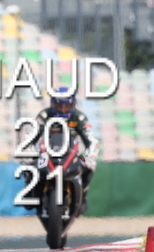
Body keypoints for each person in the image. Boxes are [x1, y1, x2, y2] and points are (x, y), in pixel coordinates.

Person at [23, 87, 99, 217]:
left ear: (73, 104)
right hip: (48, 152)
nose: (63, 109)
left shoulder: (79, 117)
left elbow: (91, 140)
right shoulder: (44, 115)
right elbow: (30, 136)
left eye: (67, 106)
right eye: (59, 106)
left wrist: (91, 156)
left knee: (88, 168)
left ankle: (82, 196)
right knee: (30, 165)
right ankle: (30, 192)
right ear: (53, 104)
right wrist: (28, 152)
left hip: (71, 153)